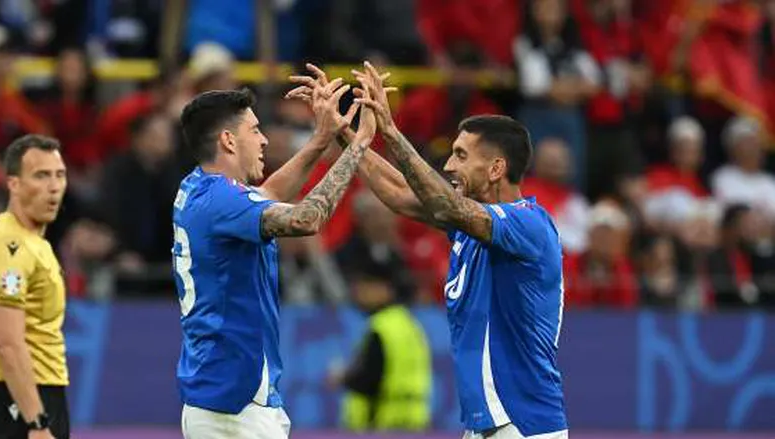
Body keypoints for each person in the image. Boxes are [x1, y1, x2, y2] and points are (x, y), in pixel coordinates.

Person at [288, 62, 567, 438]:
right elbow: (400, 193)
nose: (449, 165)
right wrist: (345, 134)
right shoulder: (471, 228)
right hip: (488, 425)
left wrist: (390, 131)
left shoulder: (528, 224)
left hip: (524, 423)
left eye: (461, 155)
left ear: (496, 168)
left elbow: (444, 205)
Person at [172, 82, 376, 439]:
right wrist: (357, 146)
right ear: (228, 140)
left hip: (223, 397)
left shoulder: (199, 188)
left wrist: (321, 139)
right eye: (254, 130)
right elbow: (304, 220)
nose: (264, 140)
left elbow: (267, 194)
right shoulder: (220, 199)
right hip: (234, 405)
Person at [0, 135, 70, 439]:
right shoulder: (10, 247)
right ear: (13, 184)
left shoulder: (34, 243)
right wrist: (36, 422)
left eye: (60, 175)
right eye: (41, 176)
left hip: (36, 394)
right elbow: (9, 344)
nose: (54, 186)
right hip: (19, 404)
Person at [335, 257, 432, 432]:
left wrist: (344, 377)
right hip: (413, 422)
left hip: (385, 423)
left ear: (384, 288)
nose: (359, 293)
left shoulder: (381, 327)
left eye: (365, 286)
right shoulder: (410, 324)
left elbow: (369, 379)